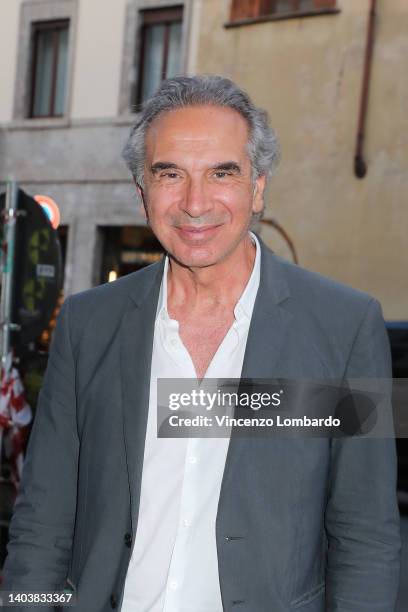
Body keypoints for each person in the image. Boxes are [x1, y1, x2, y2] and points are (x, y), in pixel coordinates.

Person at [2, 75, 400, 611]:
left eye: (222, 173)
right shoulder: (88, 324)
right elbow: (42, 524)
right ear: (142, 192)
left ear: (258, 187)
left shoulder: (344, 328)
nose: (194, 203)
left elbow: (365, 537)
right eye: (171, 174)